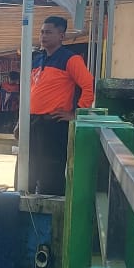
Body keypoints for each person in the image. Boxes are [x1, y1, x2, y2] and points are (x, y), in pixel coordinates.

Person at [29, 16, 95, 196]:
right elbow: (30, 91)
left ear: (61, 36)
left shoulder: (70, 59)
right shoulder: (36, 59)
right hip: (32, 122)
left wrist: (76, 113)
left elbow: (89, 85)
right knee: (28, 171)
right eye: (42, 32)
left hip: (54, 125)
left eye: (49, 32)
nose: (43, 36)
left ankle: (52, 217)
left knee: (51, 175)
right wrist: (21, 121)